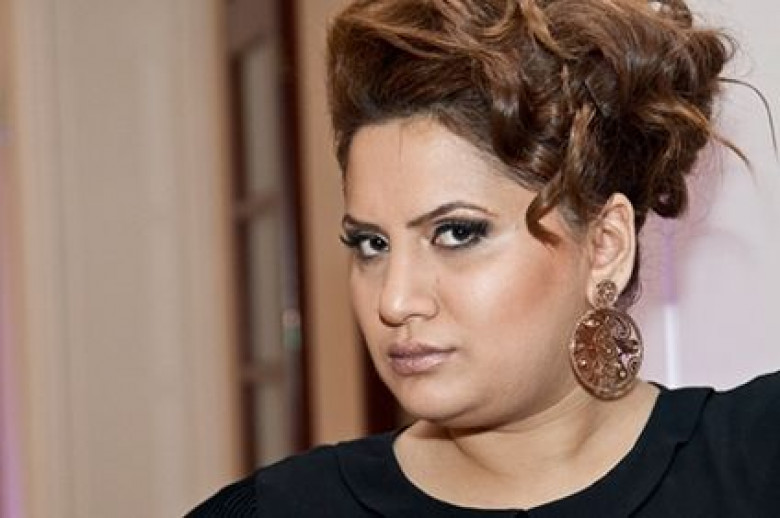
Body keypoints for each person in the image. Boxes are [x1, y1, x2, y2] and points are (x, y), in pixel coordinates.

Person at [188, 0, 779, 515]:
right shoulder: (276, 511)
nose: (395, 300)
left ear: (605, 245)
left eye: (456, 233)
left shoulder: (758, 465)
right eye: (371, 244)